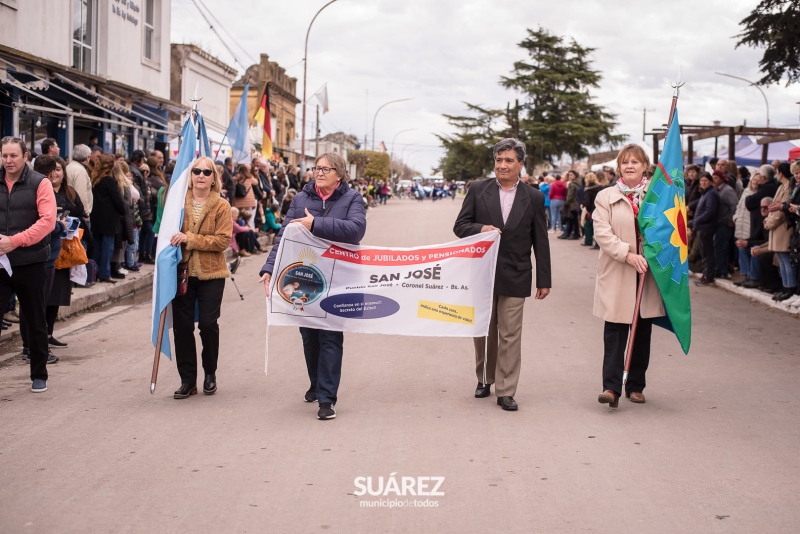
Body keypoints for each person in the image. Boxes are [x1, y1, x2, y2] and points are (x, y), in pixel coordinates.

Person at [259, 152, 367, 420]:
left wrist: (315, 223)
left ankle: (327, 399)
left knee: (330, 335)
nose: (318, 173)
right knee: (309, 336)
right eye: (316, 168)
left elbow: (355, 230)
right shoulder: (301, 198)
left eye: (325, 169)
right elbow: (284, 234)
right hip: (306, 277)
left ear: (339, 174)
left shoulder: (352, 198)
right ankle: (316, 382)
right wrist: (269, 268)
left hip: (339, 278)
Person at [453, 138, 552, 412]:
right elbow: (460, 226)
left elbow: (540, 241)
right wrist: (481, 228)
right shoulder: (477, 189)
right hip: (482, 274)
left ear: (521, 164)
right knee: (483, 330)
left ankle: (506, 390)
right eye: (499, 160)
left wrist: (544, 280)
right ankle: (484, 378)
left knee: (510, 334)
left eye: (509, 160)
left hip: (516, 274)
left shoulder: (533, 197)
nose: (503, 165)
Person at [592, 144, 665, 407]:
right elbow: (602, 233)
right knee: (615, 330)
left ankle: (636, 385)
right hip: (619, 271)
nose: (630, 166)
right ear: (619, 167)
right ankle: (611, 387)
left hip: (647, 272)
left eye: (635, 162)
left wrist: (649, 254)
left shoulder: (656, 196)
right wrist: (628, 254)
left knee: (641, 330)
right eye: (625, 162)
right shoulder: (605, 197)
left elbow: (665, 230)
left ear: (645, 166)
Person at [170, 157, 232, 399]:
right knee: (183, 328)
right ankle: (187, 380)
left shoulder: (222, 206)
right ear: (191, 176)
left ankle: (210, 373)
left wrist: (190, 238)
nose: (201, 175)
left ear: (214, 178)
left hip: (212, 274)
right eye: (196, 171)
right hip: (182, 273)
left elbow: (223, 240)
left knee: (207, 325)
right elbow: (167, 234)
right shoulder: (178, 203)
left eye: (207, 172)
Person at [0, 137, 57, 392]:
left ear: (25, 156)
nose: (8, 161)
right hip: (0, 262)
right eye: (4, 156)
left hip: (30, 261)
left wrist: (15, 241)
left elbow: (47, 222)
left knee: (34, 319)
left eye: (13, 155)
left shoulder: (40, 183)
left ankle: (39, 374)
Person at [47, 156, 87, 346]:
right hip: (48, 248)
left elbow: (81, 213)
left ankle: (48, 333)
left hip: (66, 251)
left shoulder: (70, 193)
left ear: (64, 173)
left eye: (58, 169)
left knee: (58, 294)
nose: (55, 173)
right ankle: (37, 339)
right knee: (45, 294)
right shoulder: (43, 191)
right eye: (52, 170)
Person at [90, 154, 126, 283]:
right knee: (107, 247)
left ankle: (96, 272)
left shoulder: (94, 180)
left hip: (96, 218)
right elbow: (117, 200)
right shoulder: (110, 181)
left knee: (98, 246)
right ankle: (105, 273)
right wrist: (123, 211)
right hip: (109, 220)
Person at [764, 162, 797, 301]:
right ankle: (785, 286)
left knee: (785, 259)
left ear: (780, 173)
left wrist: (769, 223)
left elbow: (781, 211)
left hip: (782, 228)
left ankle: (790, 287)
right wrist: (768, 220)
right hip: (777, 227)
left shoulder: (788, 187)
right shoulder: (782, 187)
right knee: (781, 259)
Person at [692, 172, 720, 286]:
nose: (703, 183)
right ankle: (705, 275)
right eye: (702, 181)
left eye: (706, 181)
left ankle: (708, 276)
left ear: (711, 182)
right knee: (704, 253)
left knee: (707, 253)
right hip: (702, 227)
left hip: (707, 227)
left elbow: (710, 211)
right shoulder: (706, 193)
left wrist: (697, 220)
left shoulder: (711, 194)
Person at [65, 144, 93, 217]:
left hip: (71, 208)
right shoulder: (80, 171)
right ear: (87, 158)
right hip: (79, 213)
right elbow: (81, 193)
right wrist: (86, 213)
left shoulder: (69, 166)